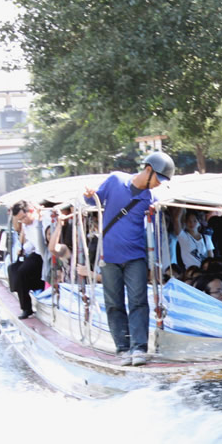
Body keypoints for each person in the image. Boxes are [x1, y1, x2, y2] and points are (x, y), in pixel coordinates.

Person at [83, 150, 175, 366]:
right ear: (148, 170)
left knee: (138, 302)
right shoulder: (115, 180)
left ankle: (139, 349)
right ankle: (122, 349)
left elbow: (158, 228)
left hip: (136, 256)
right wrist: (89, 194)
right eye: (159, 179)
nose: (159, 184)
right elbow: (91, 201)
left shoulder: (151, 198)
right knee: (114, 303)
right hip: (110, 256)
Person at [9, 200, 45, 319]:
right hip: (37, 253)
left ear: (30, 211)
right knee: (17, 271)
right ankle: (26, 308)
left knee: (24, 272)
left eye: (24, 217)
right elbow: (32, 242)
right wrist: (23, 249)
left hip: (47, 253)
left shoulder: (43, 220)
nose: (23, 221)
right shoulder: (26, 224)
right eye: (20, 219)